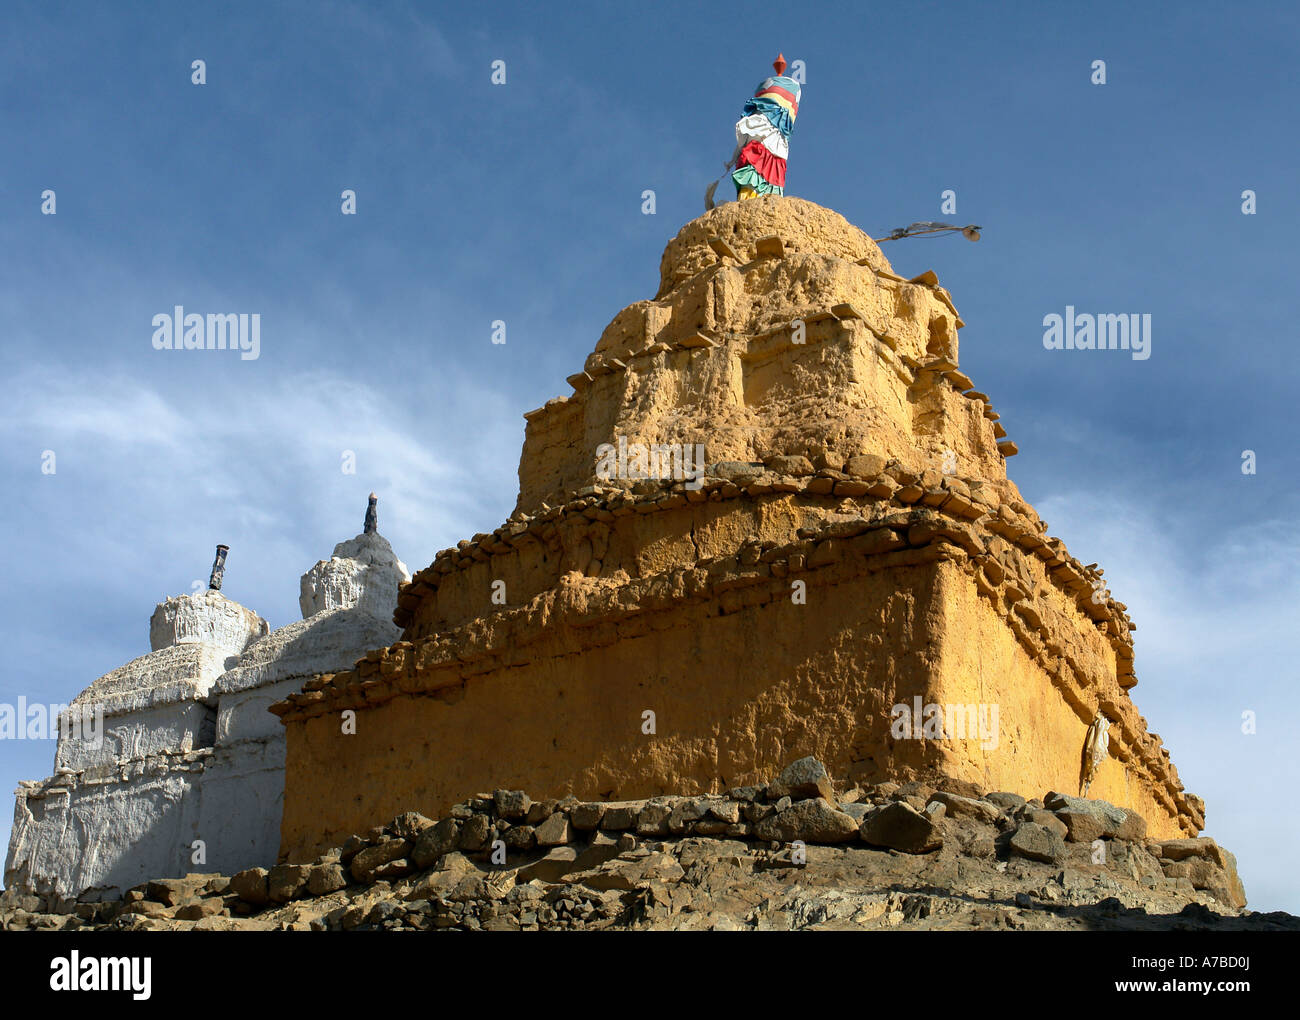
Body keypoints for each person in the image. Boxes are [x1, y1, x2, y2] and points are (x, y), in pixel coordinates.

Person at [729, 54, 801, 201]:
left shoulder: (776, 140)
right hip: (763, 145)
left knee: (770, 167)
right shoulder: (756, 135)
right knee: (755, 165)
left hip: (776, 146)